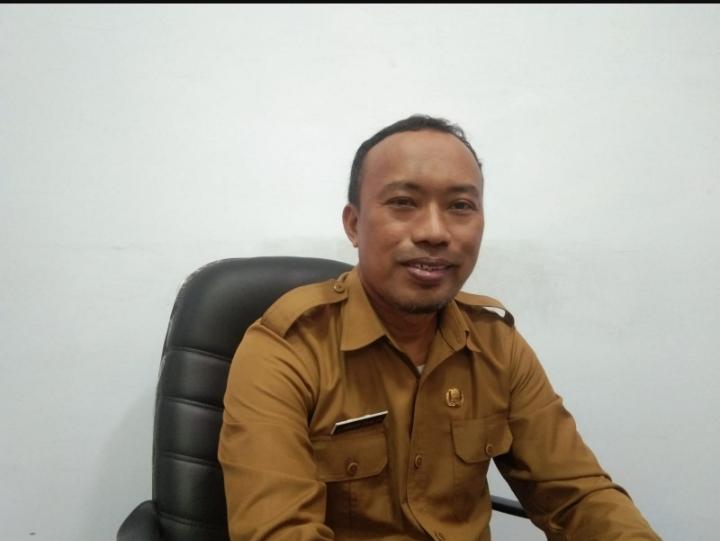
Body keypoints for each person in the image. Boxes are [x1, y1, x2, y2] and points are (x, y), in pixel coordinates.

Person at [218, 115, 660, 540]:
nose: (434, 232)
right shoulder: (286, 348)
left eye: (460, 206)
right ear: (354, 225)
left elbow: (579, 496)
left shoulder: (496, 344)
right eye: (403, 203)